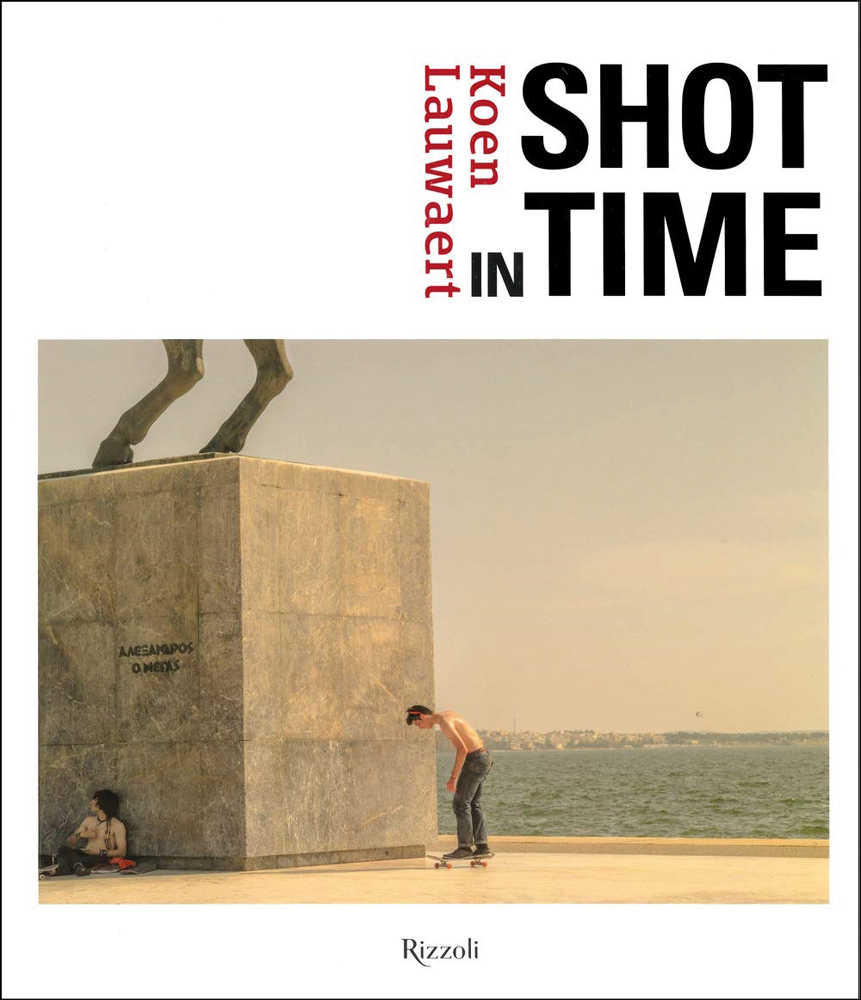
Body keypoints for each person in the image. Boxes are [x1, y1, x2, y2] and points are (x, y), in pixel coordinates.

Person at [406, 705, 493, 860]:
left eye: (418, 724)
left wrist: (453, 778)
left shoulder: (445, 722)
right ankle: (482, 847)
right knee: (474, 803)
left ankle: (465, 848)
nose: (420, 728)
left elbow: (462, 749)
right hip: (483, 756)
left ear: (422, 716)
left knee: (460, 804)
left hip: (475, 759)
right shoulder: (448, 714)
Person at [50, 790, 127, 876]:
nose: (91, 802)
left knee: (81, 860)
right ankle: (78, 867)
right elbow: (72, 842)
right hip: (85, 853)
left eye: (95, 800)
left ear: (104, 802)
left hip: (101, 857)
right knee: (63, 849)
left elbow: (122, 852)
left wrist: (100, 852)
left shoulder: (117, 825)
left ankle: (66, 869)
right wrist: (81, 834)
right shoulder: (88, 820)